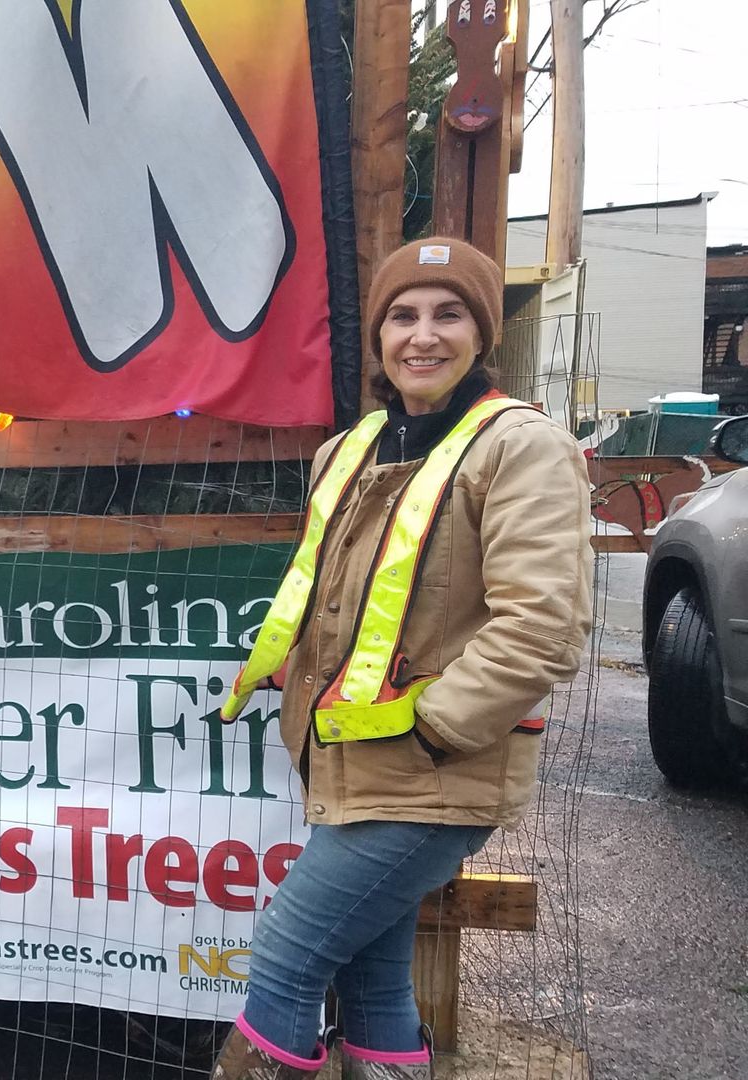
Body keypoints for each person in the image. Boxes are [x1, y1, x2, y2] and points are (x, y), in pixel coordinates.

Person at [209, 238, 593, 1080]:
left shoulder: (519, 447)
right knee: (374, 977)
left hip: (432, 773)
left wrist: (435, 732)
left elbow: (543, 626)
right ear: (379, 336)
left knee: (284, 959)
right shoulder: (349, 451)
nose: (423, 335)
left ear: (482, 333)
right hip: (346, 763)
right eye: (403, 316)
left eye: (448, 313)